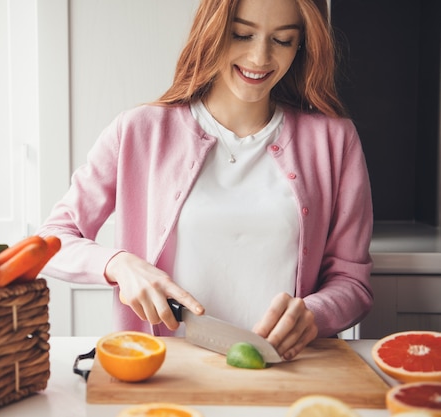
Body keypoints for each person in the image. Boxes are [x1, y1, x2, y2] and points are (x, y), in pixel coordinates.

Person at [37, 0, 374, 361]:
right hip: (166, 373)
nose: (260, 57)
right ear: (212, 31)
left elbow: (353, 283)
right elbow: (50, 243)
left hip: (286, 374)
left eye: (283, 40)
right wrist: (119, 264)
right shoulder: (139, 131)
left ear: (300, 46)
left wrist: (315, 314)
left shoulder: (335, 141)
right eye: (242, 34)